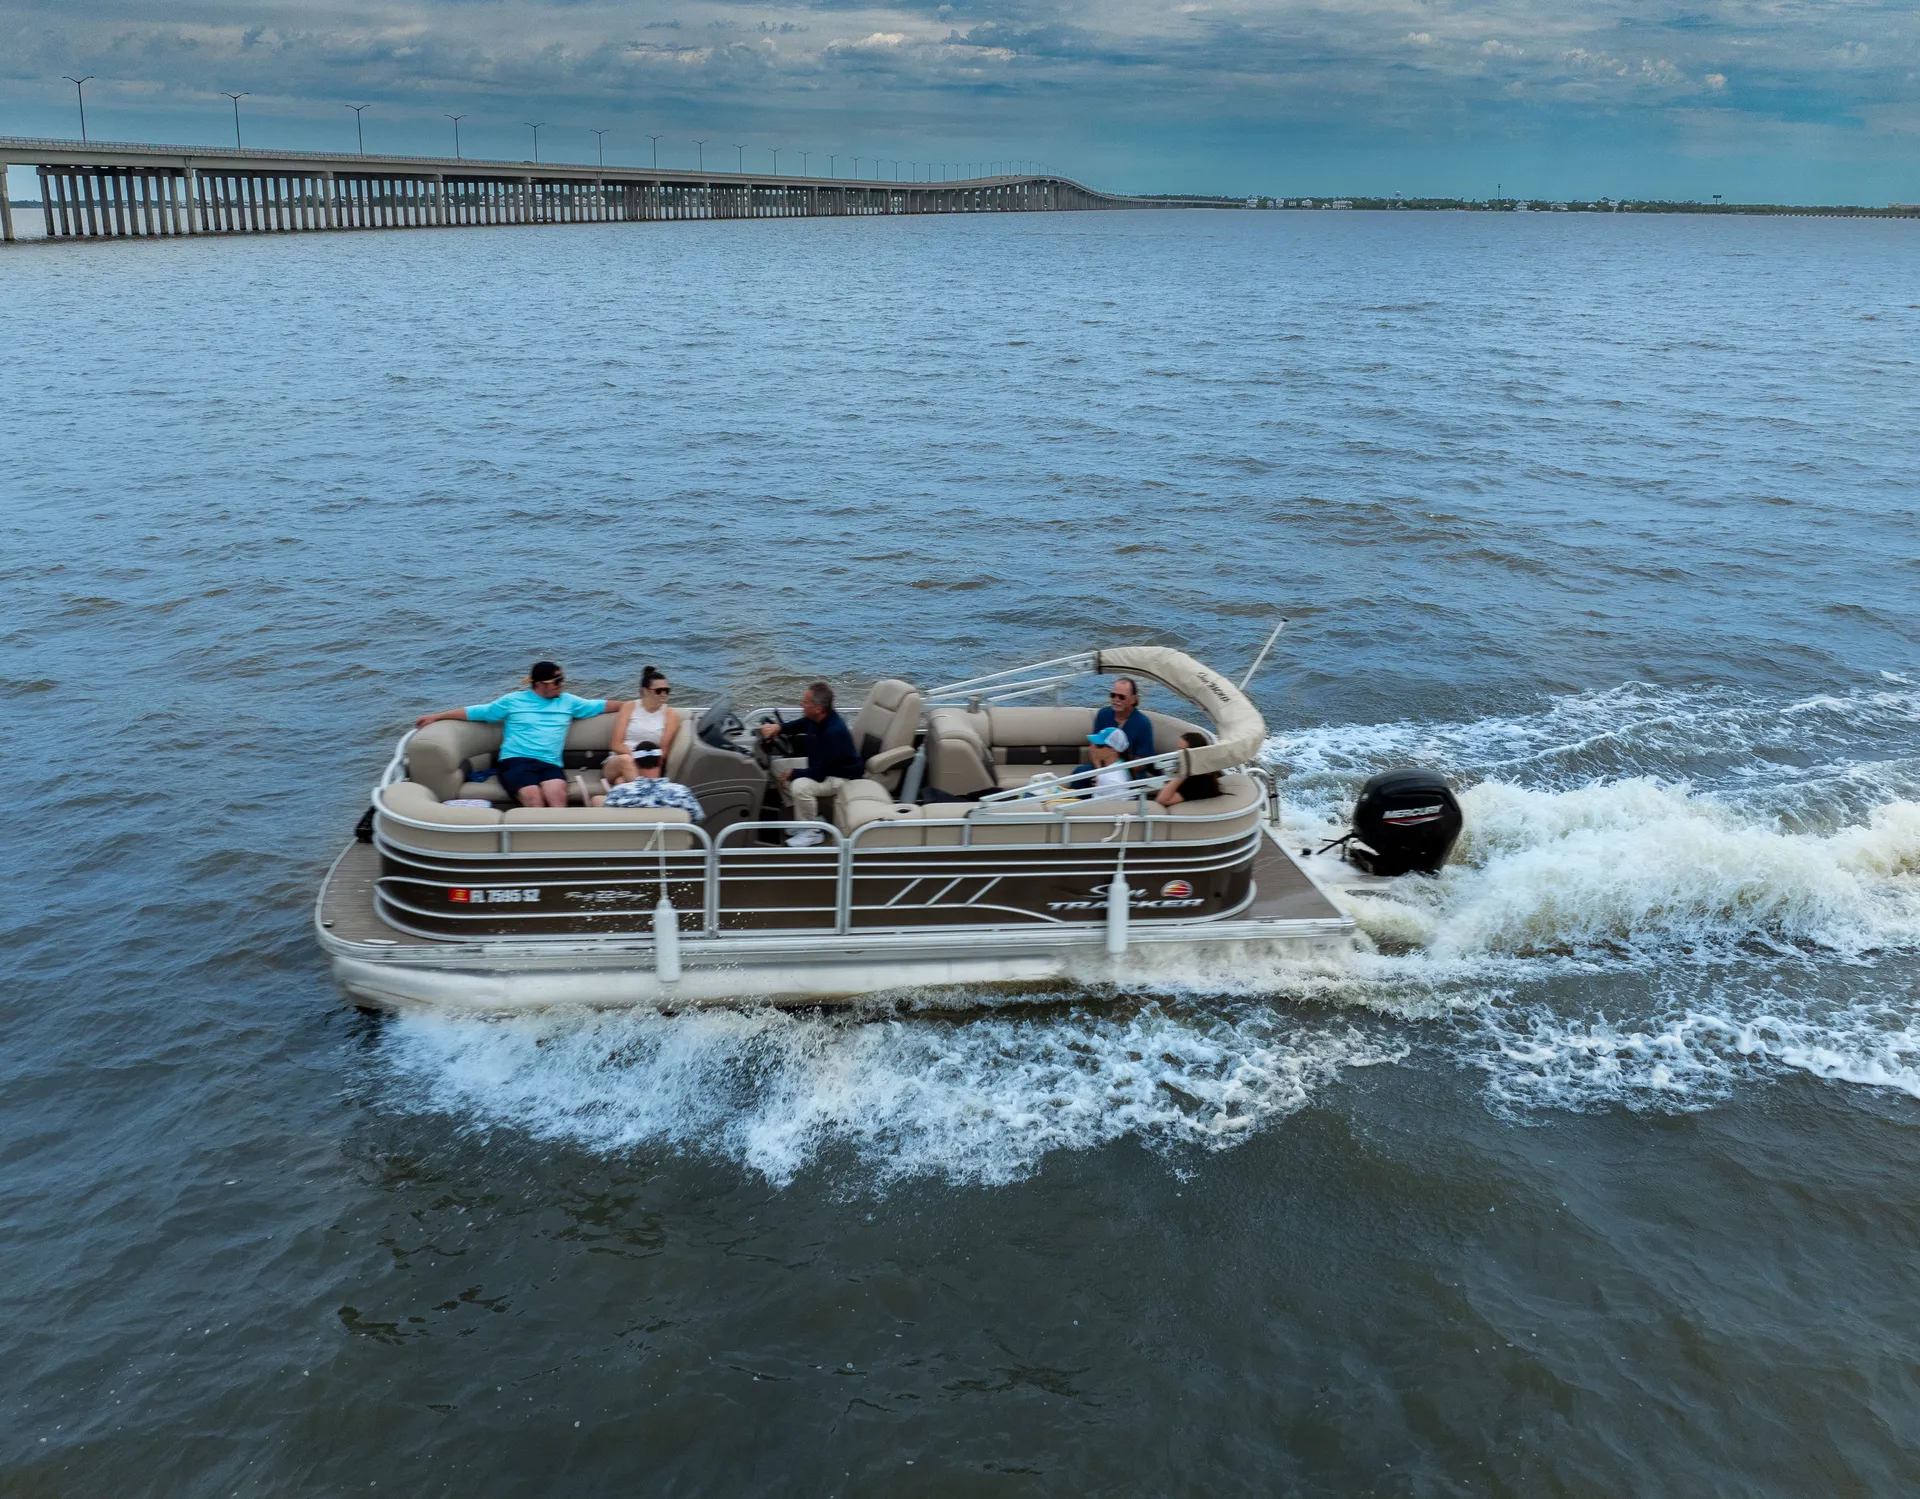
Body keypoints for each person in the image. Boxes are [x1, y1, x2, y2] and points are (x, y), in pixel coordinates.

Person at [413, 661, 612, 809]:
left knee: (558, 796)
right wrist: (438, 716)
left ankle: (559, 844)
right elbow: (478, 712)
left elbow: (603, 705)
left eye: (562, 680)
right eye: (556, 681)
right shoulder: (514, 701)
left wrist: (635, 706)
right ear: (539, 684)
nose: (561, 684)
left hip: (550, 763)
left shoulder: (569, 702)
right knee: (533, 797)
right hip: (516, 761)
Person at [757, 680, 864, 845]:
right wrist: (778, 728)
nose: (801, 704)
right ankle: (807, 819)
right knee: (777, 767)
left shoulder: (833, 732)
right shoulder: (816, 719)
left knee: (799, 786)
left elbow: (819, 774)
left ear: (818, 708)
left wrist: (794, 773)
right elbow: (799, 724)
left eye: (805, 702)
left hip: (842, 777)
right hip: (822, 768)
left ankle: (813, 830)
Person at [604, 667, 682, 789]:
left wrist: (644, 761)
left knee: (621, 782)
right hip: (619, 760)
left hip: (649, 764)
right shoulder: (629, 707)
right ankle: (651, 798)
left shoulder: (670, 715)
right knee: (626, 761)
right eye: (659, 690)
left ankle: (636, 799)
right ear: (645, 691)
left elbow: (663, 751)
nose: (663, 694)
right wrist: (637, 756)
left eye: (667, 690)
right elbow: (616, 745)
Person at [593, 740, 705, 820]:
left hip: (630, 851)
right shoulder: (682, 793)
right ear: (661, 761)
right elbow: (698, 818)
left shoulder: (619, 792)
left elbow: (606, 819)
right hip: (671, 851)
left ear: (635, 763)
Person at [1094, 676, 1155, 777]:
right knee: (1079, 774)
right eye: (1113, 695)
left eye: (1121, 697)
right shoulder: (1103, 714)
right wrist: (1098, 771)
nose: (1116, 699)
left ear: (1133, 700)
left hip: (1131, 772)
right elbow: (1094, 746)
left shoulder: (1143, 724)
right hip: (1103, 767)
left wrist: (1113, 774)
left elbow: (1142, 761)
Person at [1068, 727, 1136, 802]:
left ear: (1113, 750)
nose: (1094, 748)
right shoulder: (1123, 766)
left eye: (1099, 746)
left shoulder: (1109, 778)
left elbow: (1117, 806)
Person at [1155, 732, 1222, 807]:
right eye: (1178, 749)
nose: (1177, 753)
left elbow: (1161, 800)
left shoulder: (1200, 781)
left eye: (1182, 750)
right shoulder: (1200, 770)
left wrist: (1182, 774)